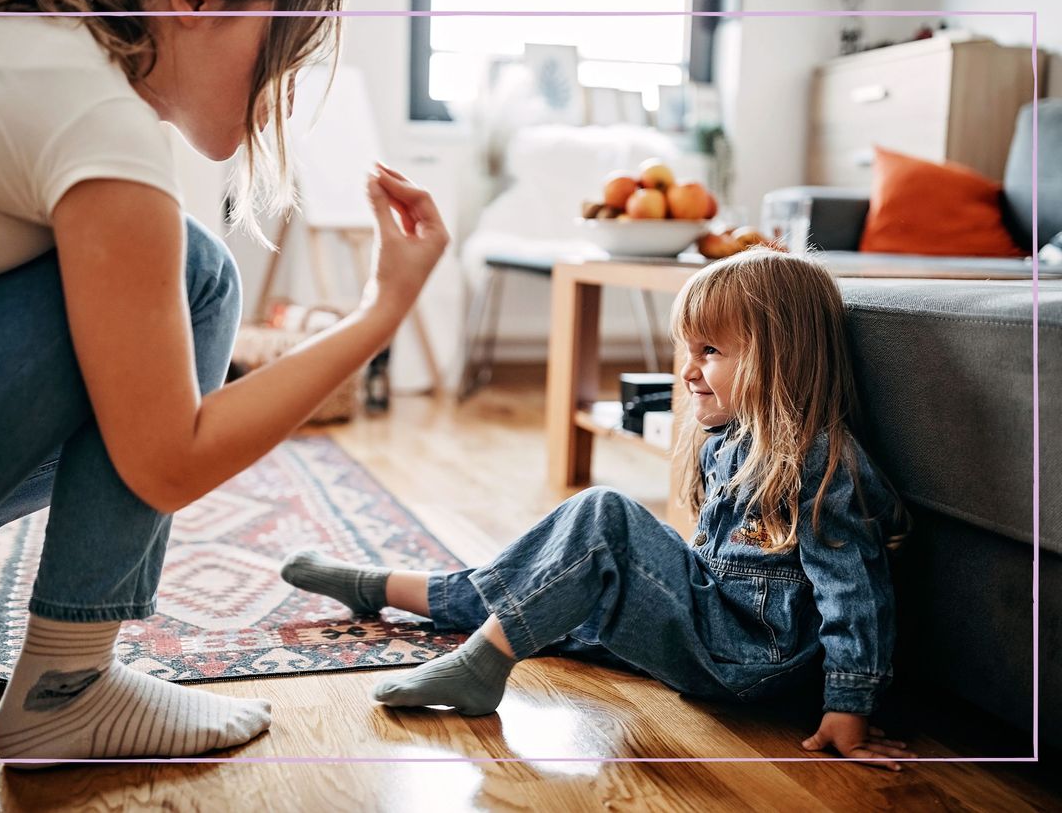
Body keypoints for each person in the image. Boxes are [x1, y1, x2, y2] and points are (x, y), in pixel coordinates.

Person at [0, 0, 450, 763]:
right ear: (195, 3)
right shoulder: (94, 116)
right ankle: (67, 687)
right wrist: (381, 310)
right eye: (280, 53)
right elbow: (169, 461)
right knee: (195, 276)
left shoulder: (9, 34)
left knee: (126, 326)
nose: (284, 93)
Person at [283, 248, 922, 770]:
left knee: (602, 518)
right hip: (716, 626)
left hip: (750, 658)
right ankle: (385, 587)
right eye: (687, 351)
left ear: (778, 358)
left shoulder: (818, 461)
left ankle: (483, 666)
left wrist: (849, 704)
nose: (688, 372)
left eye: (710, 353)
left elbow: (855, 592)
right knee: (548, 579)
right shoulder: (728, 440)